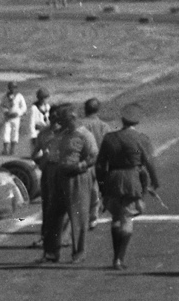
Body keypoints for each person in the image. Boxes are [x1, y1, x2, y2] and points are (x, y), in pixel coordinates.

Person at [96, 103, 161, 270]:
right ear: (137, 122)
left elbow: (100, 165)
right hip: (132, 179)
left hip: (113, 179)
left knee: (116, 218)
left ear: (122, 119)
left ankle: (116, 257)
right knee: (127, 217)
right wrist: (155, 182)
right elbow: (149, 162)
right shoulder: (141, 139)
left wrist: (102, 186)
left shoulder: (109, 138)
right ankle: (119, 258)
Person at [35, 104, 96, 263]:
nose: (59, 122)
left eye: (63, 119)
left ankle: (78, 252)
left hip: (77, 177)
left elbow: (93, 156)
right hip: (59, 175)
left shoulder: (84, 135)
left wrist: (80, 166)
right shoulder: (62, 134)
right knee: (53, 214)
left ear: (71, 119)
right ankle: (51, 252)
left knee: (78, 215)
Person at [0, 83, 27, 156]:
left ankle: (12, 149)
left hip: (16, 117)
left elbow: (24, 107)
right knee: (6, 131)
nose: (12, 89)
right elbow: (2, 106)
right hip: (8, 117)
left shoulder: (19, 96)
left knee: (15, 132)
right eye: (11, 88)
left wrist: (18, 113)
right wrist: (5, 112)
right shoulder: (5, 96)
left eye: (14, 88)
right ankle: (5, 149)